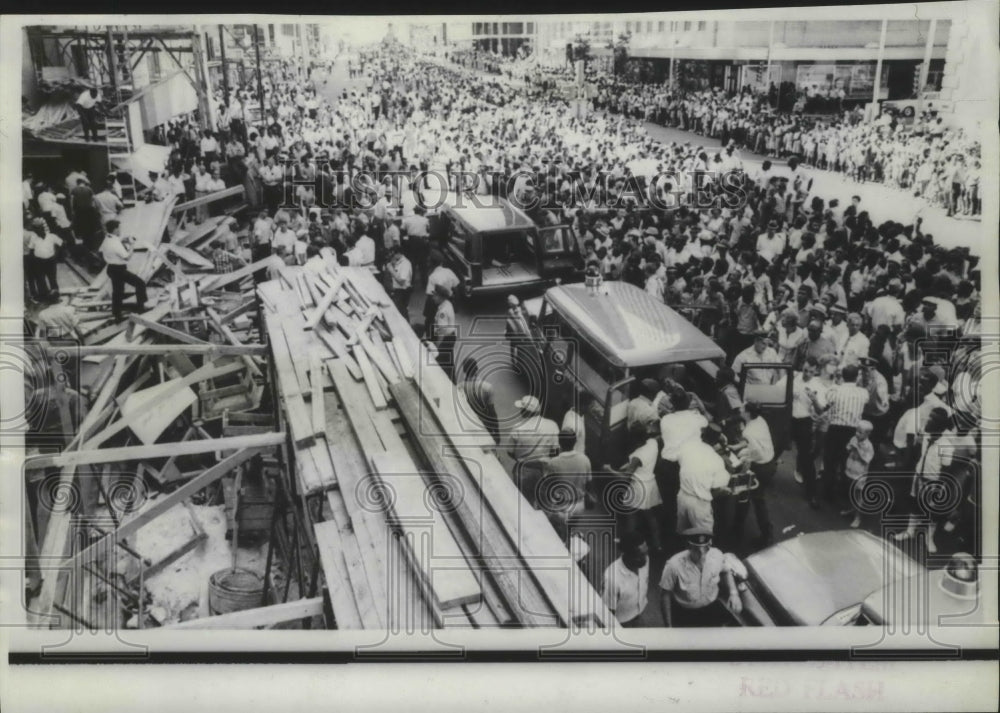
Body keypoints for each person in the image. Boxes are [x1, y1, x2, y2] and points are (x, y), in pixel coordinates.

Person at [892, 407, 954, 554]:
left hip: (933, 481)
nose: (927, 421)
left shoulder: (946, 445)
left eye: (931, 419)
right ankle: (910, 531)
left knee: (932, 511)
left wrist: (939, 488)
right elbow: (919, 455)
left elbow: (946, 470)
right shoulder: (926, 436)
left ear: (940, 425)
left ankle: (929, 537)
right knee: (914, 504)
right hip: (919, 476)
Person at [658, 527, 742, 628]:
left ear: (710, 544)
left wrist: (734, 593)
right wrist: (668, 626)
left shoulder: (717, 555)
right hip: (685, 614)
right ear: (688, 546)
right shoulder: (673, 565)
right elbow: (665, 595)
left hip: (711, 608)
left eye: (706, 548)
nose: (702, 553)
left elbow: (726, 571)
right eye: (697, 549)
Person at [656, 390, 709, 538]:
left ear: (672, 404)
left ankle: (669, 535)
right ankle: (689, 533)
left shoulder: (665, 419)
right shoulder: (696, 418)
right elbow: (707, 421)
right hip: (689, 465)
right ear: (688, 404)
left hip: (668, 467)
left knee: (669, 503)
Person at [822, 364, 869, 504]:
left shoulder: (835, 390)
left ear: (842, 376)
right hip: (853, 431)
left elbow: (828, 399)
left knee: (830, 460)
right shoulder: (863, 392)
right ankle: (843, 491)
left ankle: (828, 491)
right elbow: (866, 401)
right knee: (846, 461)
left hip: (836, 429)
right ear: (856, 377)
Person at [730, 400, 775, 549]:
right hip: (769, 463)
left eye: (743, 408)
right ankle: (738, 528)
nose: (740, 410)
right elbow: (752, 443)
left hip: (760, 468)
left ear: (748, 413)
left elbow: (755, 451)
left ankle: (765, 535)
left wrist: (744, 460)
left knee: (753, 498)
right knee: (748, 496)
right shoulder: (759, 420)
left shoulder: (748, 431)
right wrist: (737, 446)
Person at [675, 425, 732, 537]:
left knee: (683, 533)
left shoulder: (686, 447)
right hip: (699, 504)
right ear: (716, 443)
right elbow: (718, 488)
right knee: (703, 539)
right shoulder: (716, 460)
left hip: (682, 497)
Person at [538, 428, 591, 541]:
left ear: (560, 442)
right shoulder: (585, 459)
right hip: (578, 505)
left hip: (561, 508)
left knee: (555, 535)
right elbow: (588, 483)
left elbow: (547, 486)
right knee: (568, 533)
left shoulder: (554, 463)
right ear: (575, 441)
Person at [507, 394, 560, 488]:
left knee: (518, 498)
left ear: (525, 411)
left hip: (523, 469)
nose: (520, 411)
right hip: (543, 471)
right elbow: (556, 451)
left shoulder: (518, 428)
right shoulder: (552, 425)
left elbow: (510, 452)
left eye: (522, 409)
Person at [100, 219, 146, 322]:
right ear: (115, 229)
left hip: (111, 268)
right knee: (140, 283)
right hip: (119, 270)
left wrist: (123, 240)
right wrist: (132, 245)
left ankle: (116, 313)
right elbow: (127, 257)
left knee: (118, 292)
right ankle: (141, 308)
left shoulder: (107, 239)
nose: (120, 230)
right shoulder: (114, 243)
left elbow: (109, 246)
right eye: (119, 228)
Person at [601, 530, 649, 628]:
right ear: (627, 554)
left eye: (645, 553)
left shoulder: (644, 560)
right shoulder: (612, 579)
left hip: (638, 613)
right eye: (640, 555)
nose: (645, 559)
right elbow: (608, 612)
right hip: (621, 622)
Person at [840, 420, 875, 529]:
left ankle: (858, 517)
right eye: (857, 431)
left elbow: (867, 459)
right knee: (851, 492)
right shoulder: (854, 439)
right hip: (851, 470)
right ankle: (852, 509)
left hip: (860, 474)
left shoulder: (869, 446)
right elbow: (847, 448)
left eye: (860, 432)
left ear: (868, 434)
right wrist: (850, 446)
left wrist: (858, 449)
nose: (857, 434)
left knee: (859, 495)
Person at [458, 356, 500, 444]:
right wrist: (497, 432)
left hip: (469, 425)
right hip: (485, 426)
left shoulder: (459, 387)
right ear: (477, 368)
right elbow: (492, 412)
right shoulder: (487, 387)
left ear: (464, 371)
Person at [27, 221, 63, 301]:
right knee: (41, 280)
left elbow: (61, 244)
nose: (36, 232)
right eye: (35, 230)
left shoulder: (52, 236)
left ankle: (55, 296)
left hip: (51, 261)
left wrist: (56, 255)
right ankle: (44, 297)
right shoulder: (34, 238)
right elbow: (31, 250)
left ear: (42, 228)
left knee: (52, 279)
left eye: (38, 229)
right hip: (39, 262)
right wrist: (34, 262)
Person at [430, 283, 457, 378]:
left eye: (435, 296)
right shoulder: (447, 304)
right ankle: (453, 381)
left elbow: (441, 331)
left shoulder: (442, 311)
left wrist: (437, 346)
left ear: (440, 296)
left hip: (445, 339)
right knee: (449, 363)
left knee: (443, 366)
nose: (433, 298)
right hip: (451, 336)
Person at [385, 245, 414, 324]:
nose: (392, 257)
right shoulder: (398, 262)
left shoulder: (405, 264)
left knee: (401, 312)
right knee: (399, 312)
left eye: (393, 255)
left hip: (403, 291)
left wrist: (391, 270)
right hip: (398, 290)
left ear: (399, 254)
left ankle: (408, 329)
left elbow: (401, 281)